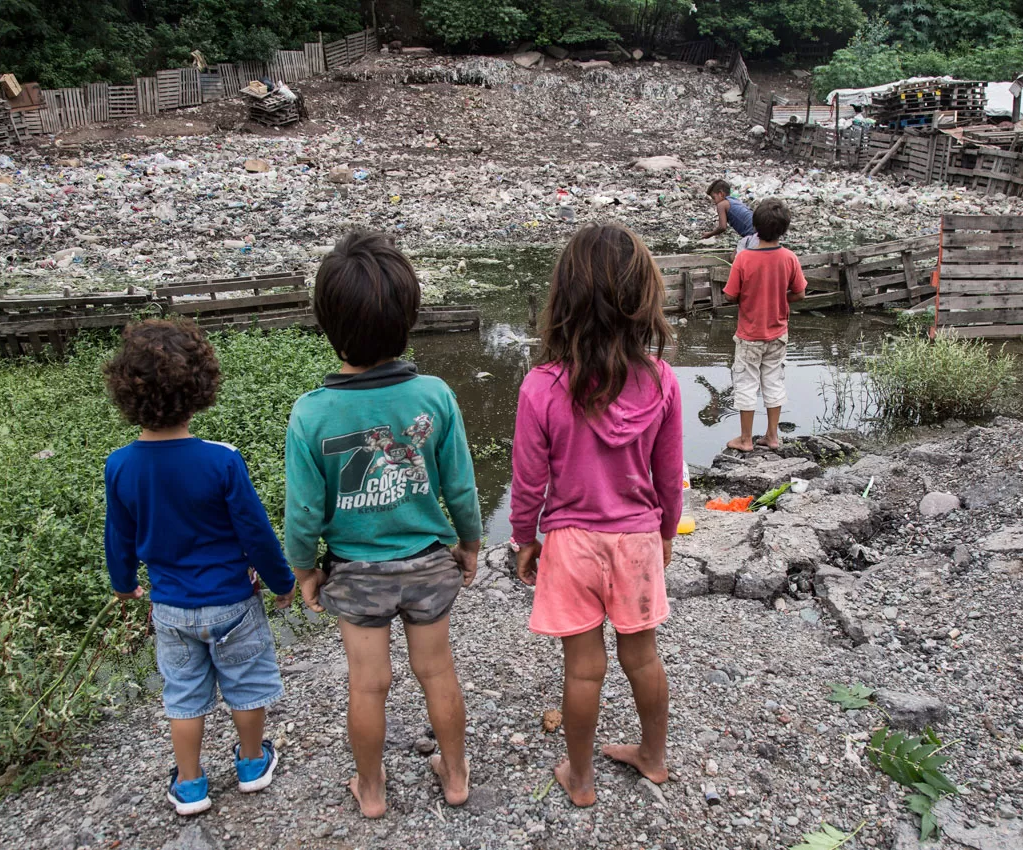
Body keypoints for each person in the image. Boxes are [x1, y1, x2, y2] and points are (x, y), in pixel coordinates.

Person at [283, 230, 482, 819]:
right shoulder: (435, 395)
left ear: (326, 322)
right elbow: (461, 486)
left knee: (368, 684)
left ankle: (370, 790)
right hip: (427, 563)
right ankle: (455, 774)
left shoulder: (312, 413)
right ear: (410, 317)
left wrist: (303, 571)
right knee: (437, 670)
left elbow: (304, 512)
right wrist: (470, 542)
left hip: (355, 570)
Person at [510, 223, 683, 808]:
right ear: (643, 298)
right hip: (636, 539)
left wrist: (523, 539)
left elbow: (528, 479)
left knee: (584, 671)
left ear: (565, 298)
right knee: (643, 656)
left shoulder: (541, 385)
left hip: (570, 543)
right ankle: (653, 758)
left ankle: (580, 779)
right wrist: (663, 533)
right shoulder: (662, 381)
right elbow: (669, 474)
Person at [103, 318, 295, 817]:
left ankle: (190, 784)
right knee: (246, 685)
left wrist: (124, 585)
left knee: (184, 696)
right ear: (201, 389)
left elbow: (118, 537)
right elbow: (256, 534)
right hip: (233, 602)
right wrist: (283, 583)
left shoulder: (119, 465)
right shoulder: (222, 461)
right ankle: (252, 763)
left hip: (171, 607)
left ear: (125, 393)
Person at [722, 198, 807, 452]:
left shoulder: (744, 258)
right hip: (778, 333)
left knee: (746, 382)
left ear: (755, 227)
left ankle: (746, 439)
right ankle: (772, 436)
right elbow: (800, 293)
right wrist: (782, 297)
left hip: (749, 334)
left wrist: (747, 297)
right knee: (773, 381)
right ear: (783, 230)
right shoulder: (789, 258)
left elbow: (730, 295)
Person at [700, 179, 758, 252]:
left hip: (753, 234)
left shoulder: (721, 205)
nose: (714, 202)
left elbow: (722, 227)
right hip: (762, 231)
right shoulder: (735, 200)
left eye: (714, 198)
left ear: (721, 194)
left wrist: (710, 234)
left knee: (734, 258)